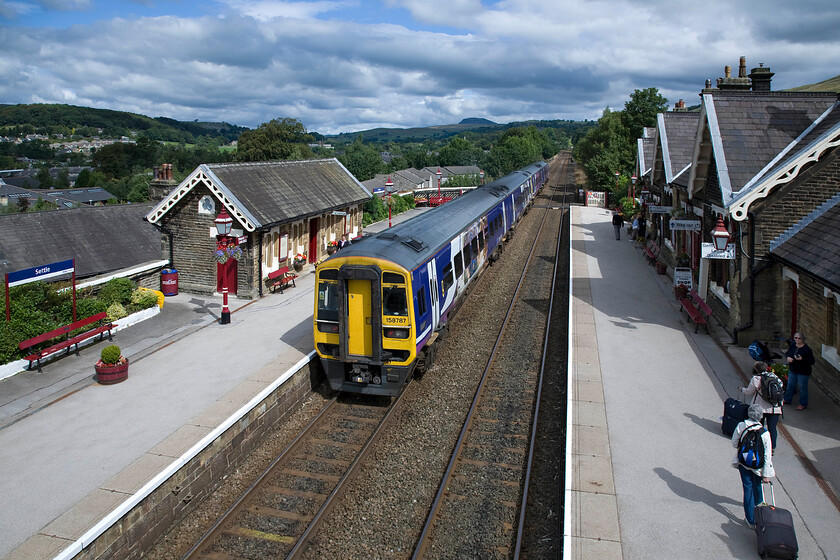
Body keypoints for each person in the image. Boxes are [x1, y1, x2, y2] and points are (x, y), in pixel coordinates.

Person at [732, 403, 775, 529]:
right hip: (758, 467)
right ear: (761, 416)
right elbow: (767, 456)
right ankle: (757, 507)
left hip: (744, 463)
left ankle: (750, 520)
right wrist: (766, 474)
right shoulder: (764, 433)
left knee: (747, 488)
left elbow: (735, 443)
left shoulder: (741, 426)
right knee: (757, 486)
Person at [741, 361, 782, 450]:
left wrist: (742, 389)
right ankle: (772, 448)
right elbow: (781, 386)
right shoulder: (774, 376)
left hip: (760, 408)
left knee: (758, 427)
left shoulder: (756, 378)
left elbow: (749, 391)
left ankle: (759, 445)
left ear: (756, 369)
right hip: (775, 408)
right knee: (772, 428)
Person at [783, 332, 815, 410]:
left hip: (803, 372)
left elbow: (812, 361)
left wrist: (802, 359)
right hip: (793, 370)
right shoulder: (793, 345)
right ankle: (787, 399)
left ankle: (803, 403)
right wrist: (788, 358)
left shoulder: (807, 349)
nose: (797, 340)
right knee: (790, 385)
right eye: (796, 338)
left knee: (802, 387)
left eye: (799, 338)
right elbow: (787, 353)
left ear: (803, 339)